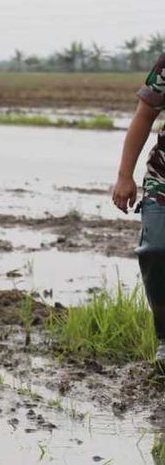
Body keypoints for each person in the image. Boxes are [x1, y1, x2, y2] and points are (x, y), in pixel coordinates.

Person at [112, 53, 165, 364]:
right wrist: (124, 175)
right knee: (156, 251)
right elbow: (144, 115)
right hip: (163, 180)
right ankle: (164, 338)